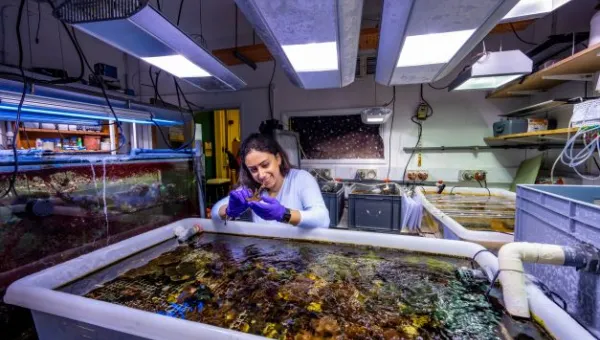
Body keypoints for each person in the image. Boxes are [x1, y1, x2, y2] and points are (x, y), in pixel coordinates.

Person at [211, 133, 330, 228]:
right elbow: (215, 212)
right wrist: (228, 210)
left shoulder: (301, 179)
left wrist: (284, 214)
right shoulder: (252, 188)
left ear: (278, 159)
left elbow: (323, 219)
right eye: (253, 170)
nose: (261, 175)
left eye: (265, 165)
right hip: (265, 256)